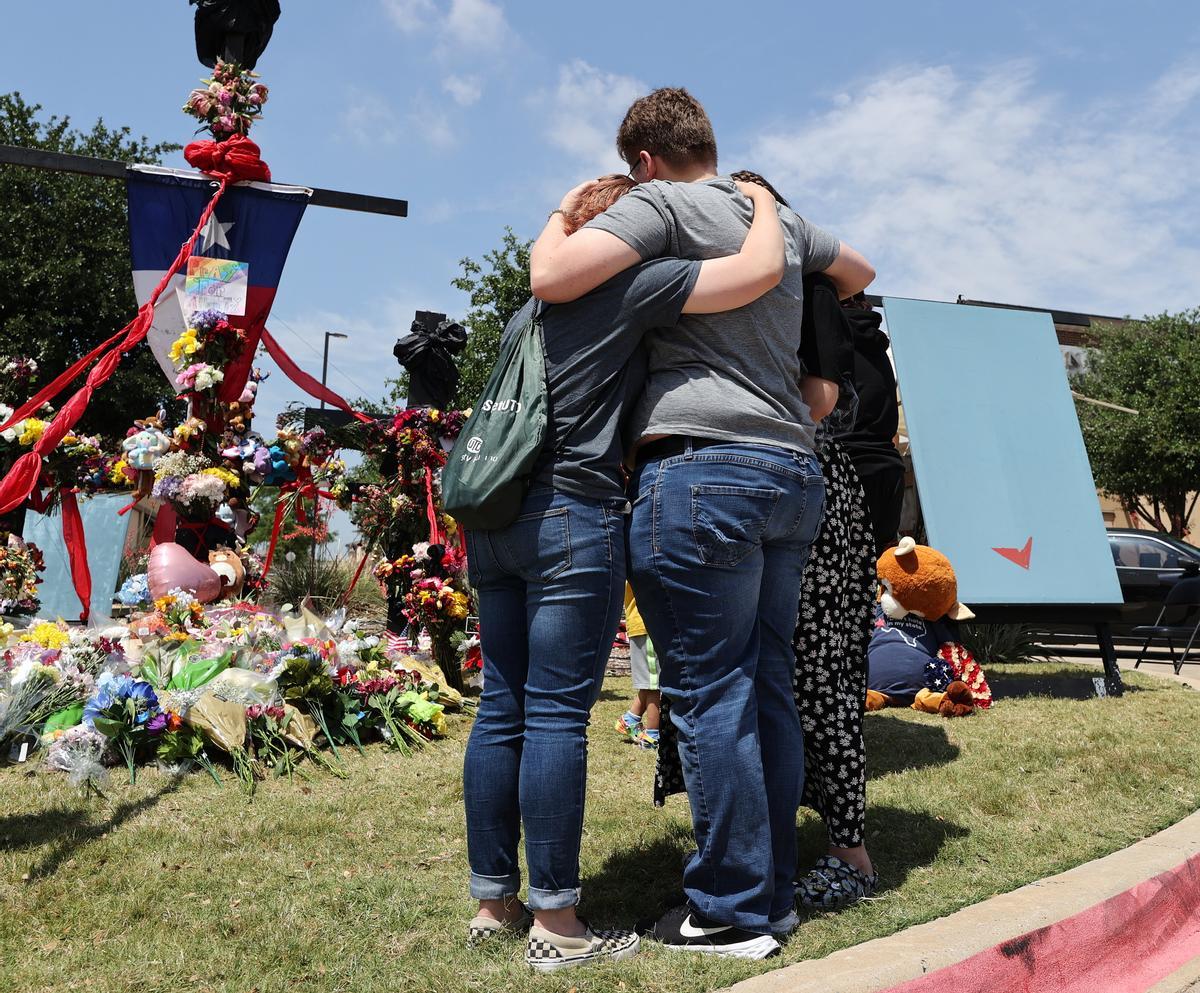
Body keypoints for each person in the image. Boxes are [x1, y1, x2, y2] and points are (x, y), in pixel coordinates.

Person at [530, 87, 875, 957]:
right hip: (792, 472)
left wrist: (570, 210)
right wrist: (771, 214)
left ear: (644, 161)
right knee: (767, 683)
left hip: (700, 469)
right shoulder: (777, 218)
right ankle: (776, 887)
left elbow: (553, 277)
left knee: (708, 692)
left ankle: (730, 908)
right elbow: (861, 271)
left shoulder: (660, 205)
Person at [464, 172, 790, 971]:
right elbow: (755, 273)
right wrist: (767, 207)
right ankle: (559, 922)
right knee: (553, 716)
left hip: (494, 520)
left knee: (499, 706)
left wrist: (558, 210)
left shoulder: (525, 311)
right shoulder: (638, 283)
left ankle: (490, 899)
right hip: (572, 512)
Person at [837, 294, 905, 555]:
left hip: (850, 465)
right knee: (876, 572)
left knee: (835, 572)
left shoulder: (829, 336)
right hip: (889, 468)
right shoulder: (877, 345)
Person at [615, 583, 661, 749]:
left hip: (646, 625)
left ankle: (630, 719)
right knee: (654, 684)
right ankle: (652, 735)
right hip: (647, 625)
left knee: (650, 681)